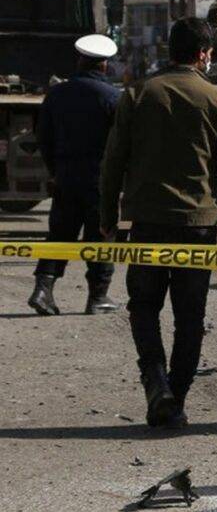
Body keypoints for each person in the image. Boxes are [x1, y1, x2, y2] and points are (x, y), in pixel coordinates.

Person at [100, 17, 217, 429]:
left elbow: (113, 162)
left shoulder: (138, 94)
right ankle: (175, 397)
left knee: (144, 306)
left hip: (146, 223)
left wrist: (108, 218)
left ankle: (156, 384)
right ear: (203, 54)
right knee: (190, 316)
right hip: (198, 225)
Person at [28, 34, 122, 316]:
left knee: (59, 234)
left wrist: (56, 170)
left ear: (80, 61)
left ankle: (43, 290)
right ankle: (98, 296)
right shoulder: (113, 97)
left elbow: (43, 137)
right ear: (104, 65)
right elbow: (122, 144)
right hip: (100, 180)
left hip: (66, 177)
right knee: (101, 237)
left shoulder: (57, 94)